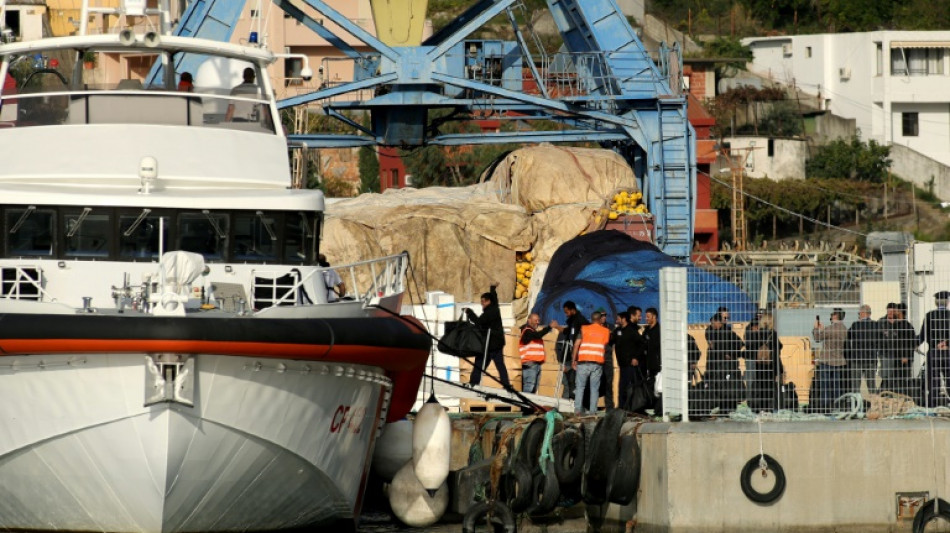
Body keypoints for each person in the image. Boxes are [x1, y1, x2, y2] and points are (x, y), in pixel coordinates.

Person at [465, 284, 511, 389]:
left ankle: (473, 383)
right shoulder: (495, 308)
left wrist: (469, 313)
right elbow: (494, 299)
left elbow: (479, 322)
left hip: (489, 345)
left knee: (479, 364)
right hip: (498, 343)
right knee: (500, 365)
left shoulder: (489, 313)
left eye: (483, 302)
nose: (482, 304)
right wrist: (492, 289)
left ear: (487, 301)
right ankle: (506, 385)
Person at [572, 310, 610, 414]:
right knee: (594, 389)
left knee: (580, 387)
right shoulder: (605, 331)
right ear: (600, 319)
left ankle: (578, 411)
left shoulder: (584, 329)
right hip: (597, 363)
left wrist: (573, 360)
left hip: (583, 362)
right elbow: (606, 343)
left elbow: (576, 345)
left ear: (591, 319)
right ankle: (593, 412)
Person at [705, 312, 745, 411]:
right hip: (714, 365)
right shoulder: (710, 331)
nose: (713, 325)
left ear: (720, 322)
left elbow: (740, 344)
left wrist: (730, 354)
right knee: (716, 386)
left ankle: (729, 407)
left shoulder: (728, 333)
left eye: (715, 323)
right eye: (712, 323)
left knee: (728, 387)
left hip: (727, 366)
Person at [745, 313, 784, 411]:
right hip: (770, 365)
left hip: (759, 365)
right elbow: (778, 349)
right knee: (770, 387)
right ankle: (768, 408)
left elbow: (751, 347)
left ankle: (759, 407)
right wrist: (779, 369)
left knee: (760, 386)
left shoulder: (757, 333)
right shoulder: (773, 334)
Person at [550, 301, 588, 401]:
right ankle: (568, 400)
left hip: (577, 356)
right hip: (569, 356)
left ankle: (576, 401)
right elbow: (567, 332)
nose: (566, 314)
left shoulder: (580, 321)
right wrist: (557, 326)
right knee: (568, 382)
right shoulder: (571, 322)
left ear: (572, 310)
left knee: (574, 381)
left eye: (567, 312)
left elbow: (578, 340)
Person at [918, 291, 950, 408]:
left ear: (936, 302)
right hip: (948, 352)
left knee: (933, 380)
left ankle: (932, 405)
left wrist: (913, 344)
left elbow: (922, 335)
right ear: (947, 302)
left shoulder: (929, 315)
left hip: (933, 352)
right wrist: (946, 343)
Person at [880, 302, 917, 396]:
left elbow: (909, 343)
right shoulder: (895, 325)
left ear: (900, 312)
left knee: (902, 380)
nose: (894, 312)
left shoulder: (906, 326)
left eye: (896, 310)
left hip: (903, 359)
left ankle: (904, 398)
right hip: (894, 357)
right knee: (892, 379)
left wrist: (905, 356)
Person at [813, 308, 847, 408]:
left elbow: (817, 338)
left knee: (825, 385)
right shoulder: (844, 328)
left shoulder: (830, 328)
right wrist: (824, 329)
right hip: (838, 360)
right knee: (837, 385)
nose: (831, 316)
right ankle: (837, 405)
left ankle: (825, 405)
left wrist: (816, 328)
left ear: (836, 316)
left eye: (832, 314)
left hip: (827, 360)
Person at [846, 304, 881, 395]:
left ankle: (856, 404)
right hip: (871, 358)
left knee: (856, 385)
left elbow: (848, 336)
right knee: (871, 384)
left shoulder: (856, 325)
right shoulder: (876, 325)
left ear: (862, 313)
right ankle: (874, 404)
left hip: (857, 358)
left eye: (859, 313)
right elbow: (879, 340)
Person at [615, 311, 643, 410]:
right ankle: (621, 407)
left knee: (629, 386)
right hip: (621, 364)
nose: (617, 320)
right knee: (621, 386)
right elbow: (611, 340)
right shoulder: (617, 330)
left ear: (624, 319)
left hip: (629, 364)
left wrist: (636, 357)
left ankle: (631, 406)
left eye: (619, 318)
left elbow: (641, 344)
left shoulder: (631, 331)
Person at [518, 312, 551, 394]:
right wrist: (549, 327)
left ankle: (529, 406)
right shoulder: (526, 331)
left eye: (538, 320)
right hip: (530, 363)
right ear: (529, 320)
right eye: (536, 320)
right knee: (529, 387)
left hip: (536, 364)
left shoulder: (532, 332)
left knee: (533, 389)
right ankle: (525, 406)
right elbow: (537, 336)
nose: (538, 322)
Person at [641, 307, 662, 409]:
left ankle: (659, 407)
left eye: (648, 317)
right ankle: (651, 406)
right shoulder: (646, 330)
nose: (646, 319)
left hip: (658, 364)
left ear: (654, 317)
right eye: (646, 317)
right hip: (648, 364)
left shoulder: (659, 330)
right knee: (650, 385)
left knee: (659, 386)